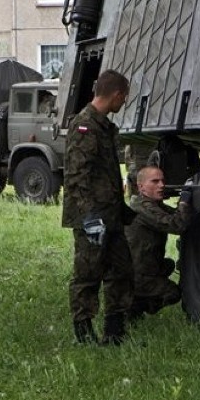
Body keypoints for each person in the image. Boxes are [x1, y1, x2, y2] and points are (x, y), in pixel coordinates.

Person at [62, 69, 136, 346]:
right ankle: (83, 332)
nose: (124, 102)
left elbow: (106, 173)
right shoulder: (85, 125)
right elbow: (76, 176)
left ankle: (115, 332)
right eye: (124, 96)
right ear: (115, 94)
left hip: (111, 215)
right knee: (88, 273)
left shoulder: (103, 125)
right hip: (91, 217)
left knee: (122, 270)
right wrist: (89, 216)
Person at [125, 165, 193, 319]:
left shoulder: (149, 204)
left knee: (168, 264)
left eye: (162, 181)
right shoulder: (143, 208)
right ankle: (135, 307)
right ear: (141, 187)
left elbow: (174, 216)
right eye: (155, 181)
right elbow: (177, 225)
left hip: (142, 268)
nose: (161, 185)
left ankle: (135, 301)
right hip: (136, 275)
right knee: (173, 293)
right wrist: (184, 202)